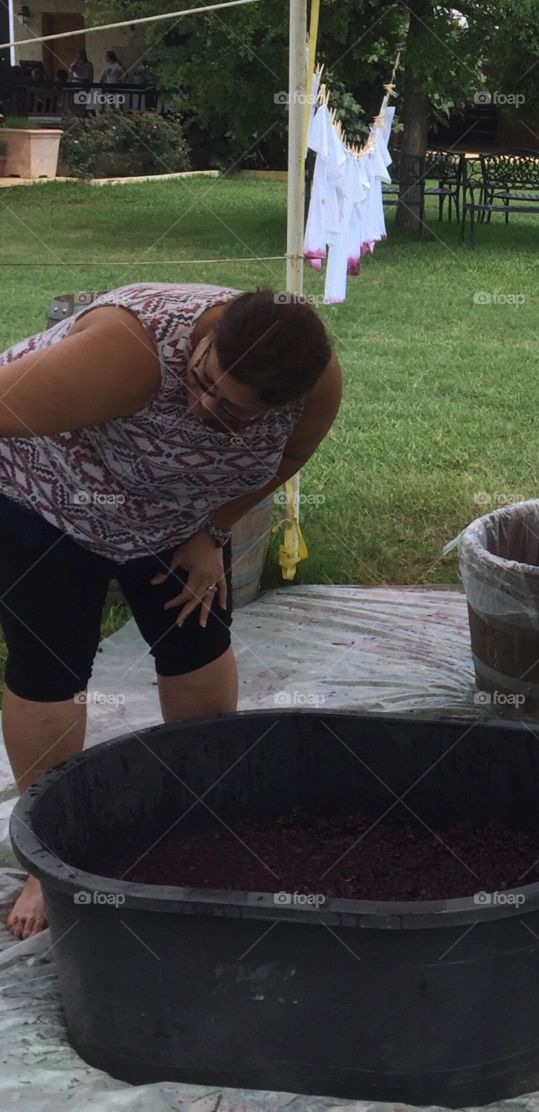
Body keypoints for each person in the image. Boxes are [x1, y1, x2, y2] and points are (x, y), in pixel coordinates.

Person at [0, 284, 342, 939]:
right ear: (207, 338)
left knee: (199, 644)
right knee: (51, 668)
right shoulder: (130, 354)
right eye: (202, 379)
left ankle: (206, 808)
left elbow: (292, 455)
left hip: (170, 515)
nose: (200, 405)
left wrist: (213, 530)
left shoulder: (314, 385)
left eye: (231, 412)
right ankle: (49, 858)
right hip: (44, 496)